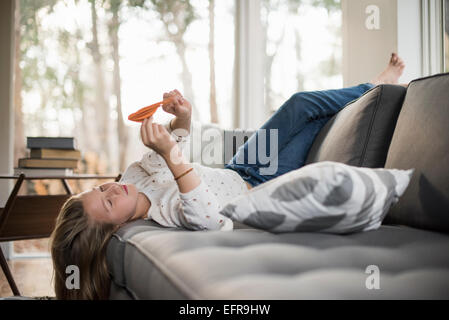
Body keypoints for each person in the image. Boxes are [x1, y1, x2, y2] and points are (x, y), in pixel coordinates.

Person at [50, 53, 406, 299]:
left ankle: (369, 89)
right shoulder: (164, 213)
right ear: (115, 229)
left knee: (297, 104)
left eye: (101, 188)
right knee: (311, 121)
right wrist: (171, 156)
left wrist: (182, 116)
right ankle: (378, 90)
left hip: (241, 166)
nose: (113, 187)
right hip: (263, 183)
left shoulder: (132, 175)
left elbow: (177, 140)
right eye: (110, 201)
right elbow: (207, 217)